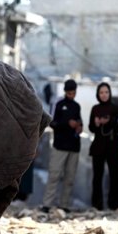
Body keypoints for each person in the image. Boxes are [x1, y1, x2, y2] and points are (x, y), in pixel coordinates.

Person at [42, 79, 83, 212]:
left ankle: (64, 205)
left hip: (74, 146)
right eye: (70, 92)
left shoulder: (77, 106)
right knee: (54, 175)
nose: (72, 95)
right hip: (60, 145)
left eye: (74, 92)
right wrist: (67, 123)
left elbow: (79, 121)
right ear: (66, 92)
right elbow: (51, 122)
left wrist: (78, 127)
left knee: (69, 177)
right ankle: (47, 205)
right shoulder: (58, 104)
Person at [88, 82, 118, 210]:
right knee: (97, 176)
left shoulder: (116, 108)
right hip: (98, 146)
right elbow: (91, 128)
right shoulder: (95, 109)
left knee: (115, 175)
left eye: (106, 92)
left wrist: (109, 121)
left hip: (113, 145)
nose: (104, 95)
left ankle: (114, 204)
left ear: (110, 93)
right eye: (101, 92)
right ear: (98, 94)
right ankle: (97, 205)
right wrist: (96, 124)